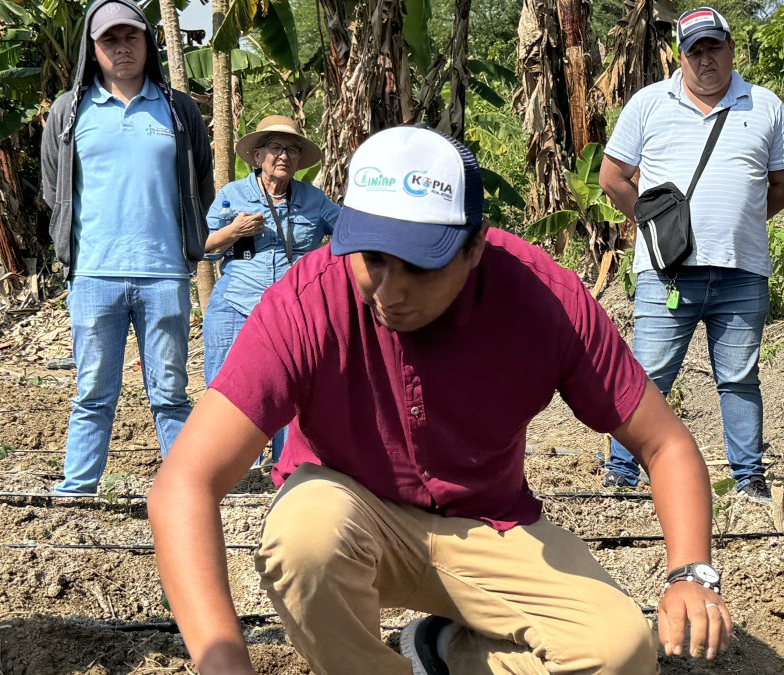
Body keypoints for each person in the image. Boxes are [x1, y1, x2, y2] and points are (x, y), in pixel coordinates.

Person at [149, 126, 731, 675]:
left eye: (419, 267)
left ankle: (447, 650)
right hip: (349, 517)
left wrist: (691, 572)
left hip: (487, 524)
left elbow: (664, 443)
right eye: (372, 259)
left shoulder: (540, 299)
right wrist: (226, 664)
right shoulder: (308, 299)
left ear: (475, 247)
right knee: (304, 536)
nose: (389, 293)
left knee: (620, 651)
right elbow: (184, 484)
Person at [598, 6, 784, 500]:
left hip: (742, 270)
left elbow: (782, 185)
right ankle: (621, 476)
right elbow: (612, 178)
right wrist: (654, 226)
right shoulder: (649, 103)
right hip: (667, 273)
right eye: (695, 50)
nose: (706, 59)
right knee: (647, 377)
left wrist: (741, 221)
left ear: (731, 49)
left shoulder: (765, 105)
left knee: (739, 378)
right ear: (680, 56)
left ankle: (749, 480)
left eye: (714, 47)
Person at [40, 0, 212, 495]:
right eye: (109, 40)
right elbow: (55, 189)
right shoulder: (69, 112)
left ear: (147, 43)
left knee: (171, 393)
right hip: (93, 274)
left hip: (165, 275)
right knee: (92, 392)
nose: (121, 48)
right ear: (93, 50)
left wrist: (188, 247)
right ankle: (78, 489)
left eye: (130, 38)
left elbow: (199, 181)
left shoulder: (178, 110)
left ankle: (185, 491)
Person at [203, 115, 338, 466]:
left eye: (292, 149)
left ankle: (285, 469)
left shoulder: (313, 200)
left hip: (292, 313)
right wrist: (234, 230)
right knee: (227, 392)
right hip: (235, 306)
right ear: (258, 155)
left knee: (291, 393)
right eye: (276, 147)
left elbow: (350, 235)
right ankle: (232, 471)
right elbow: (203, 247)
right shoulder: (233, 195)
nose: (284, 156)